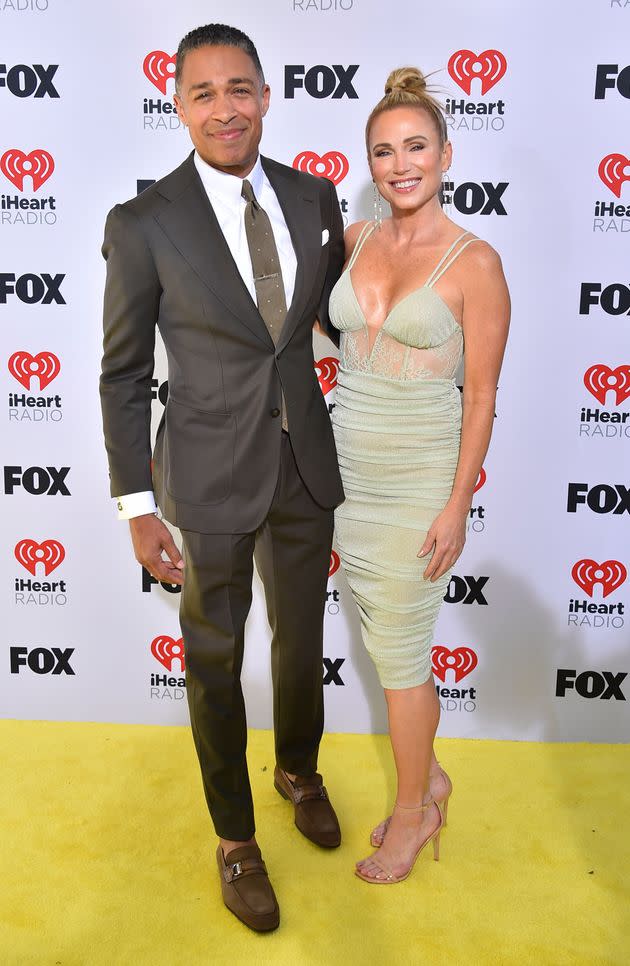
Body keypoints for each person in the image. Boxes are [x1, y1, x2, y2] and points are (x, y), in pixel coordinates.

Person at [99, 23, 345, 932]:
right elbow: (122, 373)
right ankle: (236, 839)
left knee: (299, 641)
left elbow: (341, 318)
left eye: (239, 88)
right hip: (202, 476)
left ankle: (297, 769)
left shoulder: (315, 198)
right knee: (214, 660)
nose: (223, 108)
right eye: (202, 93)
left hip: (303, 465)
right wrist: (135, 504)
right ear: (178, 105)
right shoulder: (144, 222)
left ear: (267, 95)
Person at [329, 67, 510, 883]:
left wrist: (457, 505)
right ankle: (427, 775)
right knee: (380, 645)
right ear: (369, 164)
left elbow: (483, 398)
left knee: (402, 657)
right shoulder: (355, 239)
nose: (400, 165)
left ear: (445, 152)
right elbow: (305, 330)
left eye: (415, 147)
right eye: (383, 152)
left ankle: (415, 812)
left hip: (417, 484)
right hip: (345, 474)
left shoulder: (476, 262)